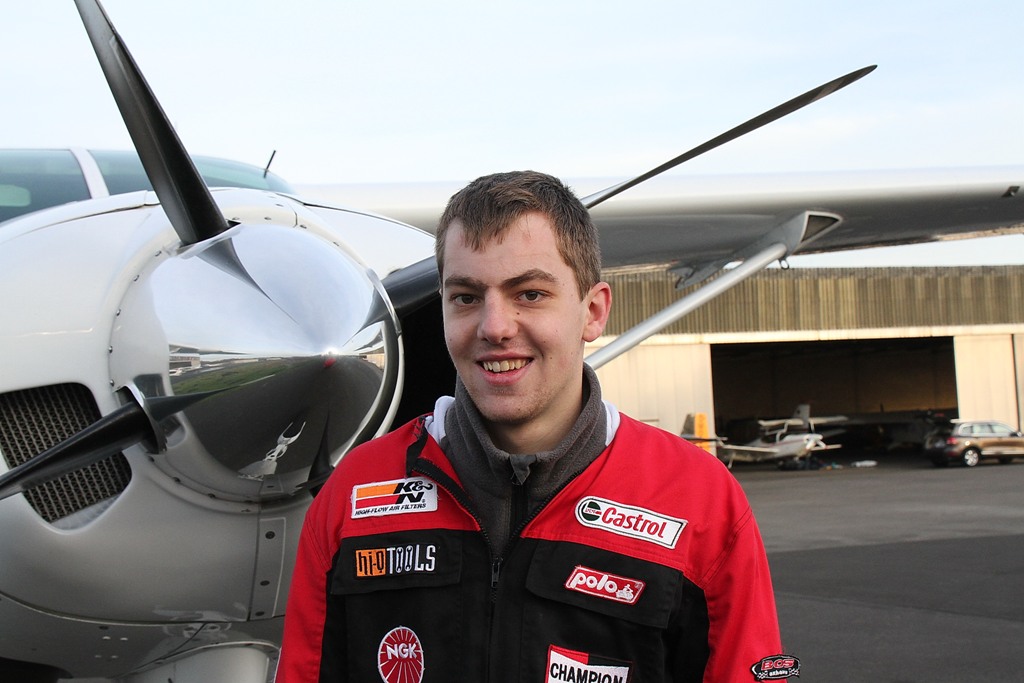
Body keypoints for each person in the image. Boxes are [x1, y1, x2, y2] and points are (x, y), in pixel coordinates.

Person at [277, 171, 795, 682]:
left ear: (593, 312)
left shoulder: (700, 502)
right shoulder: (355, 494)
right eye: (466, 297)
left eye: (529, 294)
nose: (495, 327)